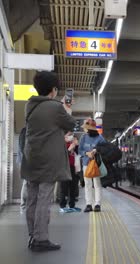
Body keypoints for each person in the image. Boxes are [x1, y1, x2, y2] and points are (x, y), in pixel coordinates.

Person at [21, 71, 75, 251]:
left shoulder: (29, 105)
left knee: (32, 198)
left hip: (31, 158)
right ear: (53, 90)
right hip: (48, 160)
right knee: (44, 199)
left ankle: (32, 235)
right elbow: (70, 124)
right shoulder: (55, 107)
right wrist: (66, 109)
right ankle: (41, 239)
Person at [78, 118, 106, 213]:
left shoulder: (100, 138)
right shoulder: (83, 137)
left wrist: (96, 150)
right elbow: (79, 150)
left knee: (97, 184)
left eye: (85, 127)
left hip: (96, 164)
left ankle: (97, 204)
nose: (84, 129)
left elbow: (105, 148)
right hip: (86, 163)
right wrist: (86, 153)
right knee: (88, 184)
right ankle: (89, 204)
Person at [59, 132, 80, 212]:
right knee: (63, 188)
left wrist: (76, 145)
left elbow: (79, 154)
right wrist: (69, 149)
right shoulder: (62, 145)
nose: (70, 137)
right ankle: (62, 206)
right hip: (64, 168)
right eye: (68, 135)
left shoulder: (74, 145)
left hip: (73, 168)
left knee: (73, 187)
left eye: (71, 135)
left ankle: (72, 205)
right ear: (64, 137)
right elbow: (61, 157)